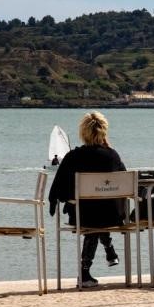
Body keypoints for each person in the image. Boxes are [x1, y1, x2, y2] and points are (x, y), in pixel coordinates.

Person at [48, 112, 124, 288]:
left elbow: (60, 188)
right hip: (112, 215)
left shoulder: (73, 157)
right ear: (104, 131)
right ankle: (109, 249)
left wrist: (59, 200)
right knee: (98, 212)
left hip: (83, 215)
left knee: (92, 214)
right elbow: (124, 182)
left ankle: (85, 272)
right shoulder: (113, 156)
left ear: (83, 132)